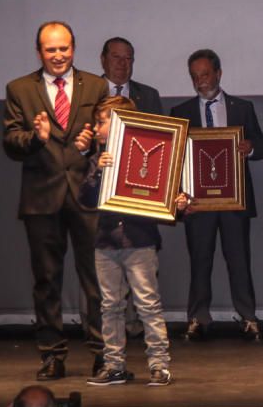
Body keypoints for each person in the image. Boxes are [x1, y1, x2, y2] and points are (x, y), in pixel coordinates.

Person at [2, 20, 106, 380]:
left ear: (74, 48)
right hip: (41, 199)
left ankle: (103, 353)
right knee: (47, 280)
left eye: (64, 48)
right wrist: (35, 137)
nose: (58, 55)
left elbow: (106, 135)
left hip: (86, 195)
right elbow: (10, 141)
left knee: (96, 279)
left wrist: (92, 143)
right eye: (51, 49)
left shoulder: (96, 84)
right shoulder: (19, 89)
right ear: (39, 52)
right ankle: (51, 354)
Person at [75, 96, 187, 387]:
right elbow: (85, 199)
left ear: (123, 124)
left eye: (102, 121)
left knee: (148, 304)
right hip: (107, 243)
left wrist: (179, 199)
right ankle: (114, 366)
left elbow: (170, 195)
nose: (97, 128)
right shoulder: (98, 160)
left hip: (139, 241)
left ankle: (159, 365)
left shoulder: (148, 156)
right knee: (110, 306)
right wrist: (98, 171)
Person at [170, 49, 263, 342]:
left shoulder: (242, 108)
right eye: (194, 76)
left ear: (218, 73)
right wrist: (179, 196)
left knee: (239, 261)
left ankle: (248, 318)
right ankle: (197, 318)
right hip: (197, 203)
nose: (200, 81)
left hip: (234, 201)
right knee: (199, 262)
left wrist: (249, 147)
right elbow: (175, 161)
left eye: (204, 74)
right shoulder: (181, 112)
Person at [98, 36, 164, 340]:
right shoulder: (89, 93)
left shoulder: (149, 96)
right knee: (107, 299)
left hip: (139, 210)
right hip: (102, 213)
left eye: (129, 58)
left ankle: (153, 352)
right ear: (103, 60)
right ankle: (107, 351)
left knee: (148, 297)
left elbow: (162, 150)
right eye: (116, 57)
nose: (123, 64)